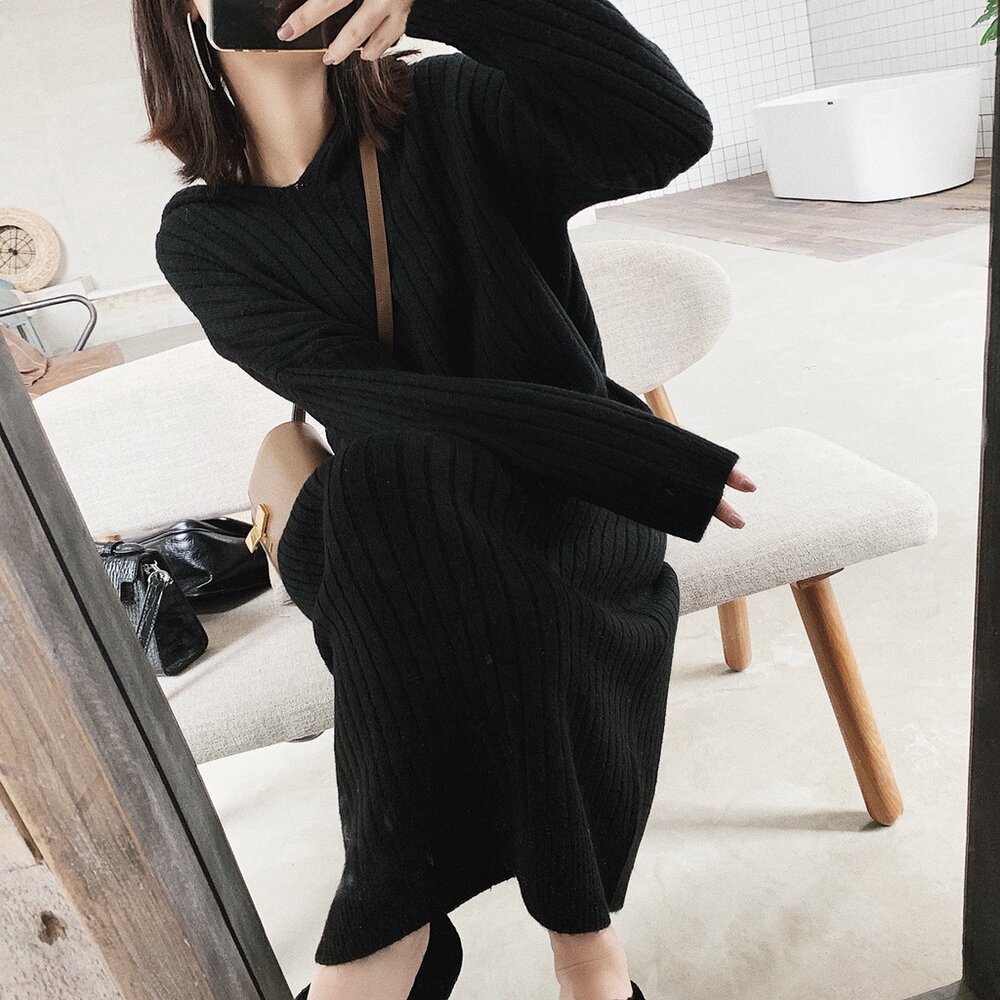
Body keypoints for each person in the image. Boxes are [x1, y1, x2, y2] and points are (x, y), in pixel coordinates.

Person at [138, 0, 756, 996]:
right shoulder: (204, 237)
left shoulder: (455, 107)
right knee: (395, 475)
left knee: (432, 534)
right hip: (406, 522)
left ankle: (396, 940)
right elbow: (374, 402)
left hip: (560, 505)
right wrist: (625, 446)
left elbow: (663, 130)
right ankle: (584, 950)